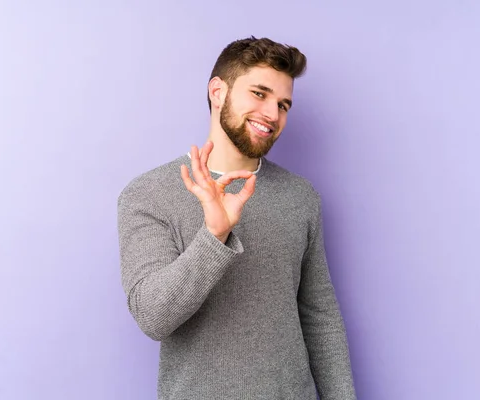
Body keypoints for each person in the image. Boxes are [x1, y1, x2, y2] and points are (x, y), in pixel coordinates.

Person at [117, 36, 357, 399]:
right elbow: (153, 316)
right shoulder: (149, 194)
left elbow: (320, 317)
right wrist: (214, 235)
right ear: (217, 92)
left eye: (283, 104)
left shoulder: (301, 197)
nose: (272, 115)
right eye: (259, 94)